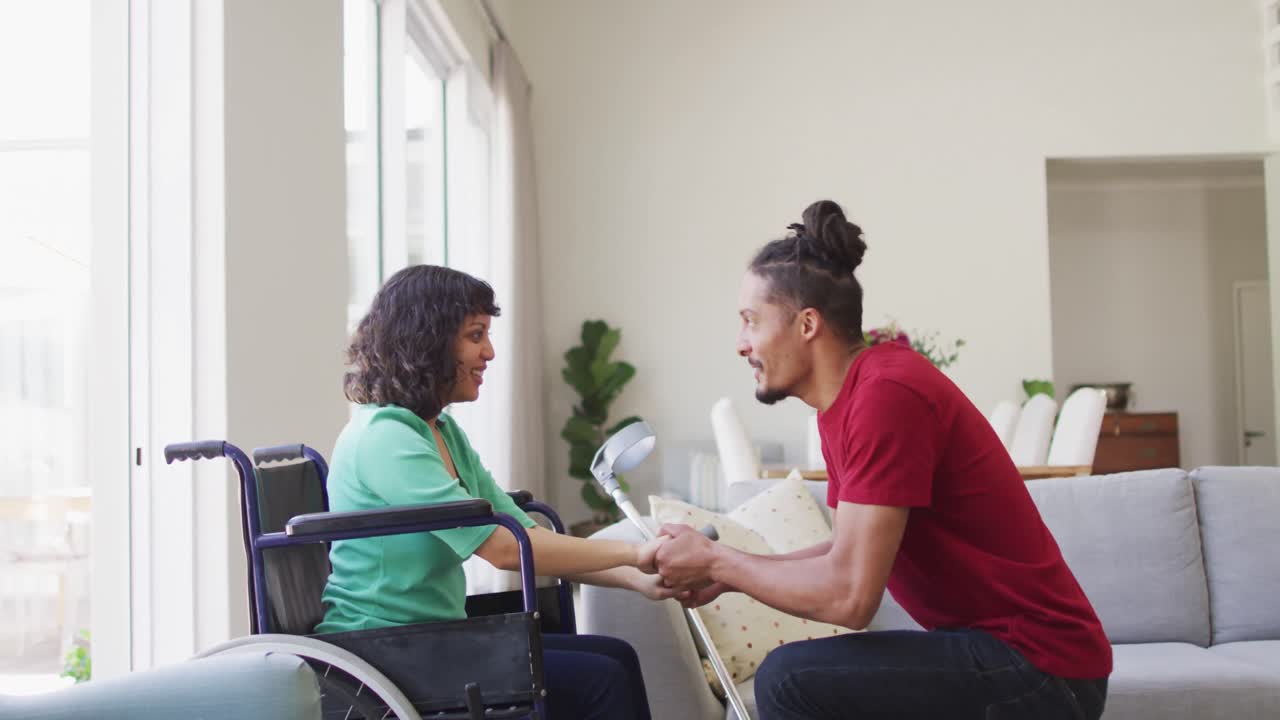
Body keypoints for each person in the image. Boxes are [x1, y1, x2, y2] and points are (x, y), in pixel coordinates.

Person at [655, 200, 1111, 719]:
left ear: (807, 324)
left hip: (1043, 669)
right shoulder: (848, 403)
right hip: (1008, 656)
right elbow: (846, 550)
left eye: (750, 321)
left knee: (790, 678)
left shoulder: (886, 394)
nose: (741, 344)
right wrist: (731, 572)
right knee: (799, 674)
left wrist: (720, 562)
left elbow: (850, 598)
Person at [316, 264, 670, 720]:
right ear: (429, 341)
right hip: (382, 651)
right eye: (475, 335)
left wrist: (633, 578)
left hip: (432, 639)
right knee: (601, 678)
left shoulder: (439, 431)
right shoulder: (386, 437)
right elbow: (504, 550)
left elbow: (520, 532)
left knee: (614, 657)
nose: (490, 351)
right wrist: (632, 554)